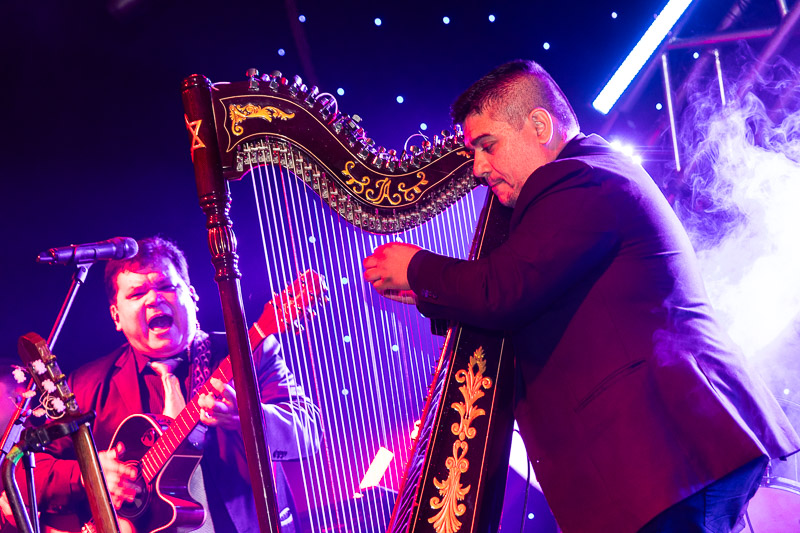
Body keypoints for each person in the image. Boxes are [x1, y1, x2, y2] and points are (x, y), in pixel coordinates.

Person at [362, 60, 800, 533]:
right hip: (667, 460)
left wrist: (417, 267)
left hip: (667, 452)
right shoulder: (588, 174)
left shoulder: (575, 177)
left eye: (487, 146)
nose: (477, 168)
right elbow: (525, 295)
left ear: (538, 125)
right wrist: (436, 294)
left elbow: (504, 290)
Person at [21, 235, 321, 533]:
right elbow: (22, 470)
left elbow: (308, 434)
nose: (154, 299)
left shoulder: (248, 354)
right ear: (116, 317)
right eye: (137, 294)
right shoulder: (86, 385)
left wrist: (244, 417)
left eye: (166, 286)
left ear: (192, 296)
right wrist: (88, 475)